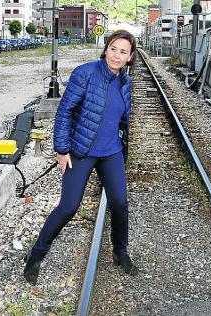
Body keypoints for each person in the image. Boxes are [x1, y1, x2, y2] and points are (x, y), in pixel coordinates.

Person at [24, 30, 137, 285]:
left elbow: (121, 120)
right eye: (113, 49)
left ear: (130, 57)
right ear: (106, 49)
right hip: (81, 152)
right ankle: (36, 254)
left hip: (112, 153)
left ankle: (121, 253)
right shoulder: (85, 73)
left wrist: (122, 146)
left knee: (120, 204)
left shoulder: (125, 82)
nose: (117, 55)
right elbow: (64, 112)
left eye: (123, 52)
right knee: (68, 207)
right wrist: (61, 149)